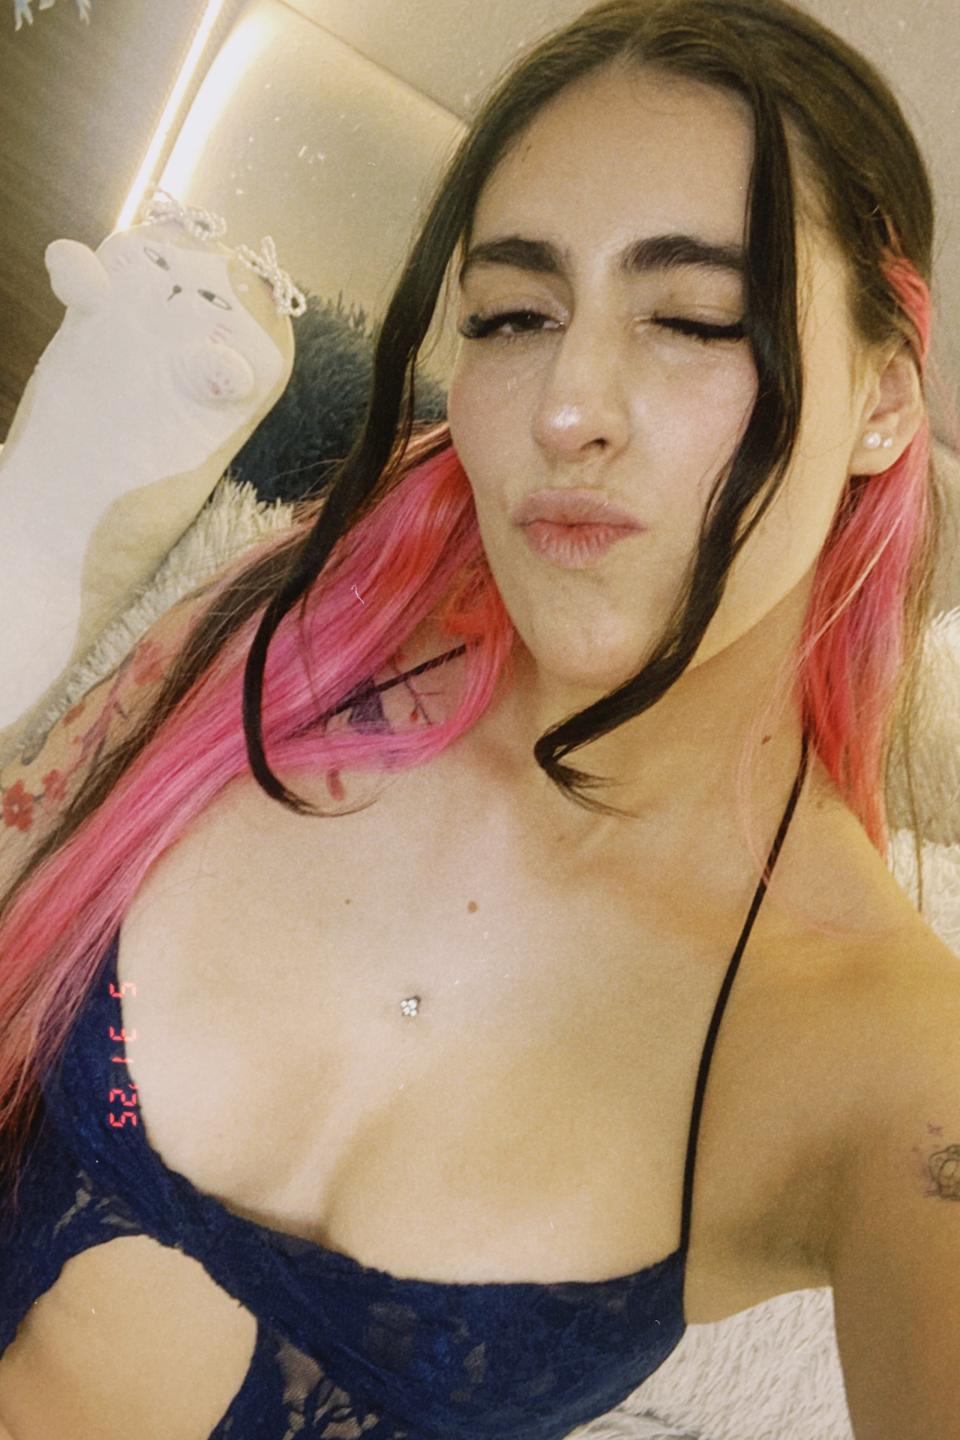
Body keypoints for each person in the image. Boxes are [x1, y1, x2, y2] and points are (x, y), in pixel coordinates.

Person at [0, 1, 954, 1436]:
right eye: (514, 316)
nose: (568, 407)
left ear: (882, 402)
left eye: (692, 318)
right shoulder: (296, 635)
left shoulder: (883, 1059)